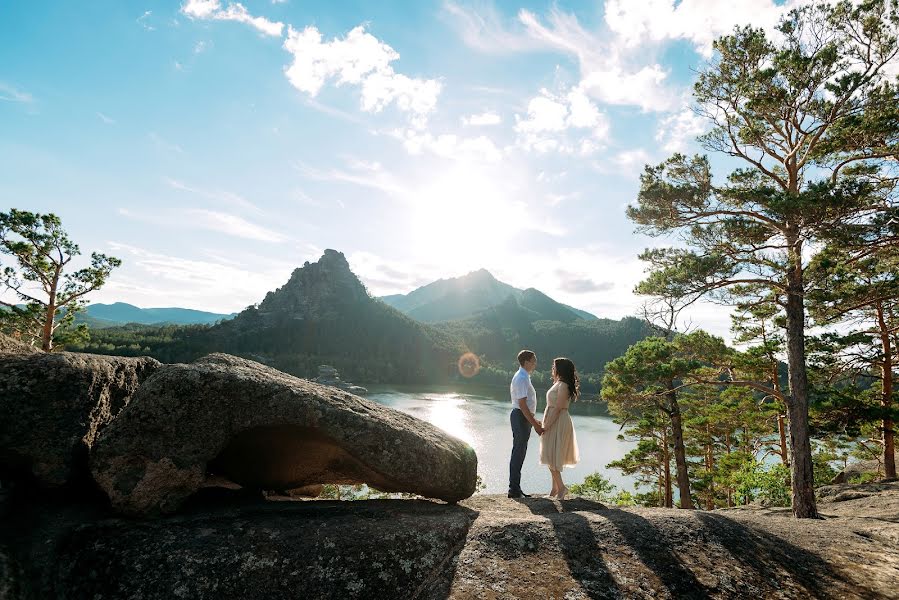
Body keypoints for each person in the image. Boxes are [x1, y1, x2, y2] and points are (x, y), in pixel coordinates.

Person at [539, 357, 580, 500]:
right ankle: (554, 489)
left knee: (552, 456)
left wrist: (546, 426)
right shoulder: (559, 383)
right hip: (554, 420)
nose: (552, 369)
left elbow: (557, 408)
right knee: (551, 454)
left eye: (554, 366)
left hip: (558, 421)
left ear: (560, 369)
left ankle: (562, 488)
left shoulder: (563, 385)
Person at [508, 349, 544, 498]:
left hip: (522, 417)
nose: (535, 363)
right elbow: (522, 405)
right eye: (534, 360)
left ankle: (515, 488)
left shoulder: (524, 376)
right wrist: (535, 424)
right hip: (521, 417)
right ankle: (514, 490)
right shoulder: (522, 378)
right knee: (518, 452)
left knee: (520, 452)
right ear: (527, 361)